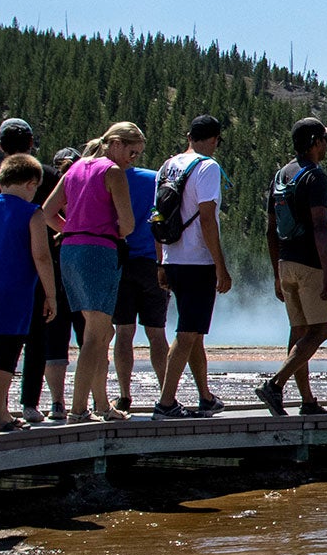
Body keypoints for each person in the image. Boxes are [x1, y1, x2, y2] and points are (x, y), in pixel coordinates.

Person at [37, 122, 144, 421]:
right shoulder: (112, 172)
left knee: (97, 331)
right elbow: (129, 224)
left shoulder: (74, 168)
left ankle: (101, 405)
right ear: (117, 143)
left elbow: (47, 212)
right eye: (132, 152)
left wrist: (70, 230)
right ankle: (79, 409)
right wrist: (110, 231)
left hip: (70, 251)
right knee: (96, 336)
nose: (131, 159)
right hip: (99, 251)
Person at [151, 116, 231, 419]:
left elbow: (156, 216)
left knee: (194, 330)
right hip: (197, 261)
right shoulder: (207, 167)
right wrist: (220, 266)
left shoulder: (167, 166)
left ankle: (205, 396)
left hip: (173, 258)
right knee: (187, 333)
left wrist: (161, 261)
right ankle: (166, 402)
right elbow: (207, 219)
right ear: (213, 139)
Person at [0, 154, 56, 433]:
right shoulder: (33, 213)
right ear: (32, 184)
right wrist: (51, 295)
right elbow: (41, 257)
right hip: (15, 292)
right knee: (7, 353)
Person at [258, 118, 327, 415]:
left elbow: (270, 228)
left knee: (299, 330)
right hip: (310, 265)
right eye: (325, 140)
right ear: (316, 142)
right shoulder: (315, 177)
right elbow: (320, 225)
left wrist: (276, 273)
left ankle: (307, 401)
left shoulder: (282, 175)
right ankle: (275, 385)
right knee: (320, 332)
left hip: (286, 263)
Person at [109, 142, 169, 414]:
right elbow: (160, 217)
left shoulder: (108, 179)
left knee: (123, 331)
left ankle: (124, 395)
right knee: (157, 333)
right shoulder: (153, 178)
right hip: (150, 261)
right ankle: (165, 394)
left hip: (120, 261)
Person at [21, 145, 78, 423]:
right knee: (91, 337)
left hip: (54, 274)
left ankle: (58, 403)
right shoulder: (78, 188)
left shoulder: (46, 189)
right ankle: (85, 402)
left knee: (56, 340)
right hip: (76, 271)